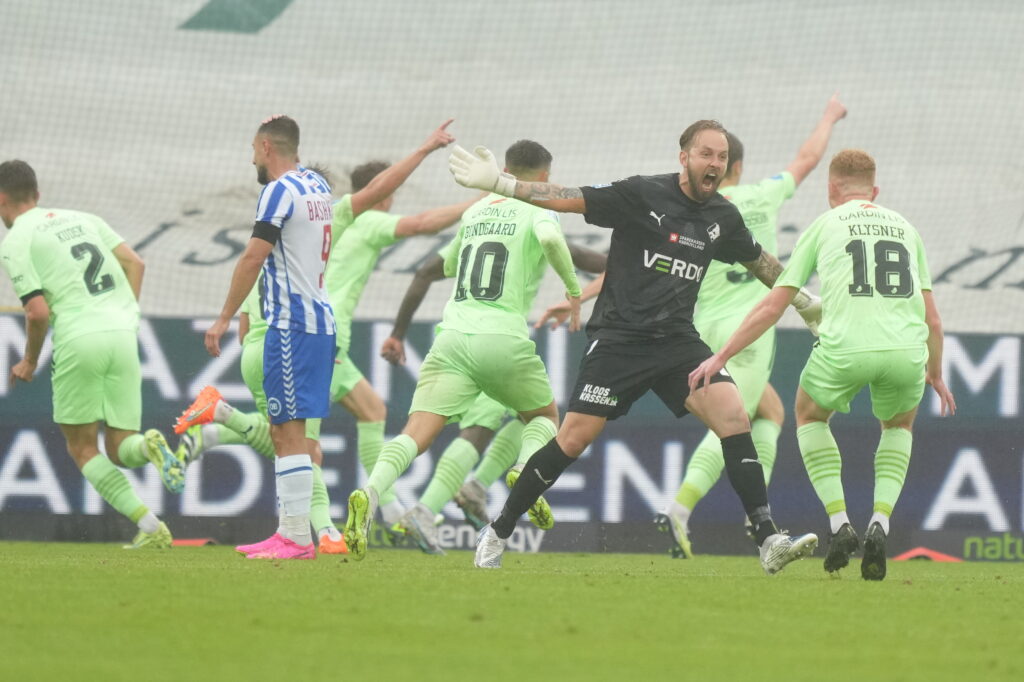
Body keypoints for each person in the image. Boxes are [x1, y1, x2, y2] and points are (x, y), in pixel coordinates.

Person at [450, 120, 820, 574]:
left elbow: (759, 261)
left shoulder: (722, 217)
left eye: (721, 157)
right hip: (619, 340)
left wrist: (803, 301)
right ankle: (500, 529)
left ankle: (768, 540)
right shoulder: (640, 194)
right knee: (573, 438)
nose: (715, 164)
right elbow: (567, 197)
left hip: (677, 343)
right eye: (706, 154)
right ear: (683, 156)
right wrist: (501, 184)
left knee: (734, 416)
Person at [179, 115, 455, 560]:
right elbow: (375, 190)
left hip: (291, 325)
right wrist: (422, 150)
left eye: (253, 147)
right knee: (291, 435)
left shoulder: (279, 190)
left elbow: (254, 255)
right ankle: (297, 533)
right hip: (317, 327)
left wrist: (224, 317)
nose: (251, 155)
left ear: (267, 147)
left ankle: (296, 536)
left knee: (291, 437)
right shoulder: (316, 189)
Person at [688, 149, 956, 581]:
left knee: (809, 416)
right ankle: (880, 523)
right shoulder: (907, 229)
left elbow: (775, 304)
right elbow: (934, 319)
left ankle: (839, 523)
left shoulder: (825, 224)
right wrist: (936, 374)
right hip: (906, 352)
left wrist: (722, 355)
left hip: (845, 349)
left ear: (832, 189)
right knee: (898, 427)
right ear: (876, 190)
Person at [343, 139, 583, 561]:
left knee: (415, 433)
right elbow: (550, 240)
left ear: (505, 168)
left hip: (452, 336)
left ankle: (371, 492)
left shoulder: (474, 212)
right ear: (544, 177)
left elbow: (447, 266)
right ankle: (522, 471)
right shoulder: (538, 207)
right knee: (543, 416)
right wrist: (575, 290)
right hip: (502, 336)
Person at [652, 95, 848, 558]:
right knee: (729, 423)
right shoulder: (764, 194)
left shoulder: (699, 206)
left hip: (706, 325)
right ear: (741, 165)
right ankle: (681, 509)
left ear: (723, 167)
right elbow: (807, 159)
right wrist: (828, 116)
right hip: (750, 330)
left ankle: (753, 515)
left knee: (770, 413)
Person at [378, 236, 606, 552]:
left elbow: (425, 272)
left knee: (522, 417)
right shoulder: (532, 222)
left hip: (461, 335)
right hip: (498, 339)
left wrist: (398, 333)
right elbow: (578, 253)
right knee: (495, 426)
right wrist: (630, 262)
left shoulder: (477, 225)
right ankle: (426, 509)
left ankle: (475, 487)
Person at [0, 159, 182, 549]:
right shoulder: (83, 218)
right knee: (121, 448)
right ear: (38, 194)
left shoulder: (15, 241)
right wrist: (124, 314)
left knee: (83, 448)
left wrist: (30, 360)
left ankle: (151, 526)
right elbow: (135, 262)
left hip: (79, 337)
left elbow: (37, 312)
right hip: (123, 332)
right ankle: (151, 459)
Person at [322, 161, 478, 535]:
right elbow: (424, 223)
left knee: (372, 411)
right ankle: (225, 421)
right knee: (297, 435)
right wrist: (479, 202)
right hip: (327, 333)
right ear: (382, 191)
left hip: (316, 329)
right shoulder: (368, 219)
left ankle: (391, 512)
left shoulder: (332, 217)